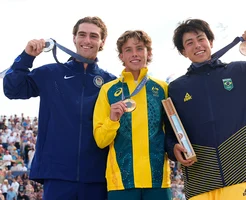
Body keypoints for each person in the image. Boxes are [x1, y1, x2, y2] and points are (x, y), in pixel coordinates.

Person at [164, 19, 246, 200]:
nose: (197, 45)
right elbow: (170, 130)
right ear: (183, 52)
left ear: (210, 42)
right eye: (189, 43)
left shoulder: (240, 72)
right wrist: (172, 148)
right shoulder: (176, 88)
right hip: (200, 176)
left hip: (240, 171)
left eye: (201, 39)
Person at [3, 16, 116, 200]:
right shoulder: (52, 73)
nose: (87, 40)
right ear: (74, 38)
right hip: (58, 175)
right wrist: (27, 57)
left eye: (94, 36)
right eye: (82, 34)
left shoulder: (111, 83)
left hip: (98, 177)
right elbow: (12, 89)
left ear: (102, 41)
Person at [93, 30, 171, 200]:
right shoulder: (108, 90)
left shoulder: (163, 88)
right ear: (121, 55)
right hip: (121, 182)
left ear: (148, 53)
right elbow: (100, 140)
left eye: (139, 48)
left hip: (158, 181)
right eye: (128, 50)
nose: (134, 54)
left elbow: (172, 132)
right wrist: (112, 120)